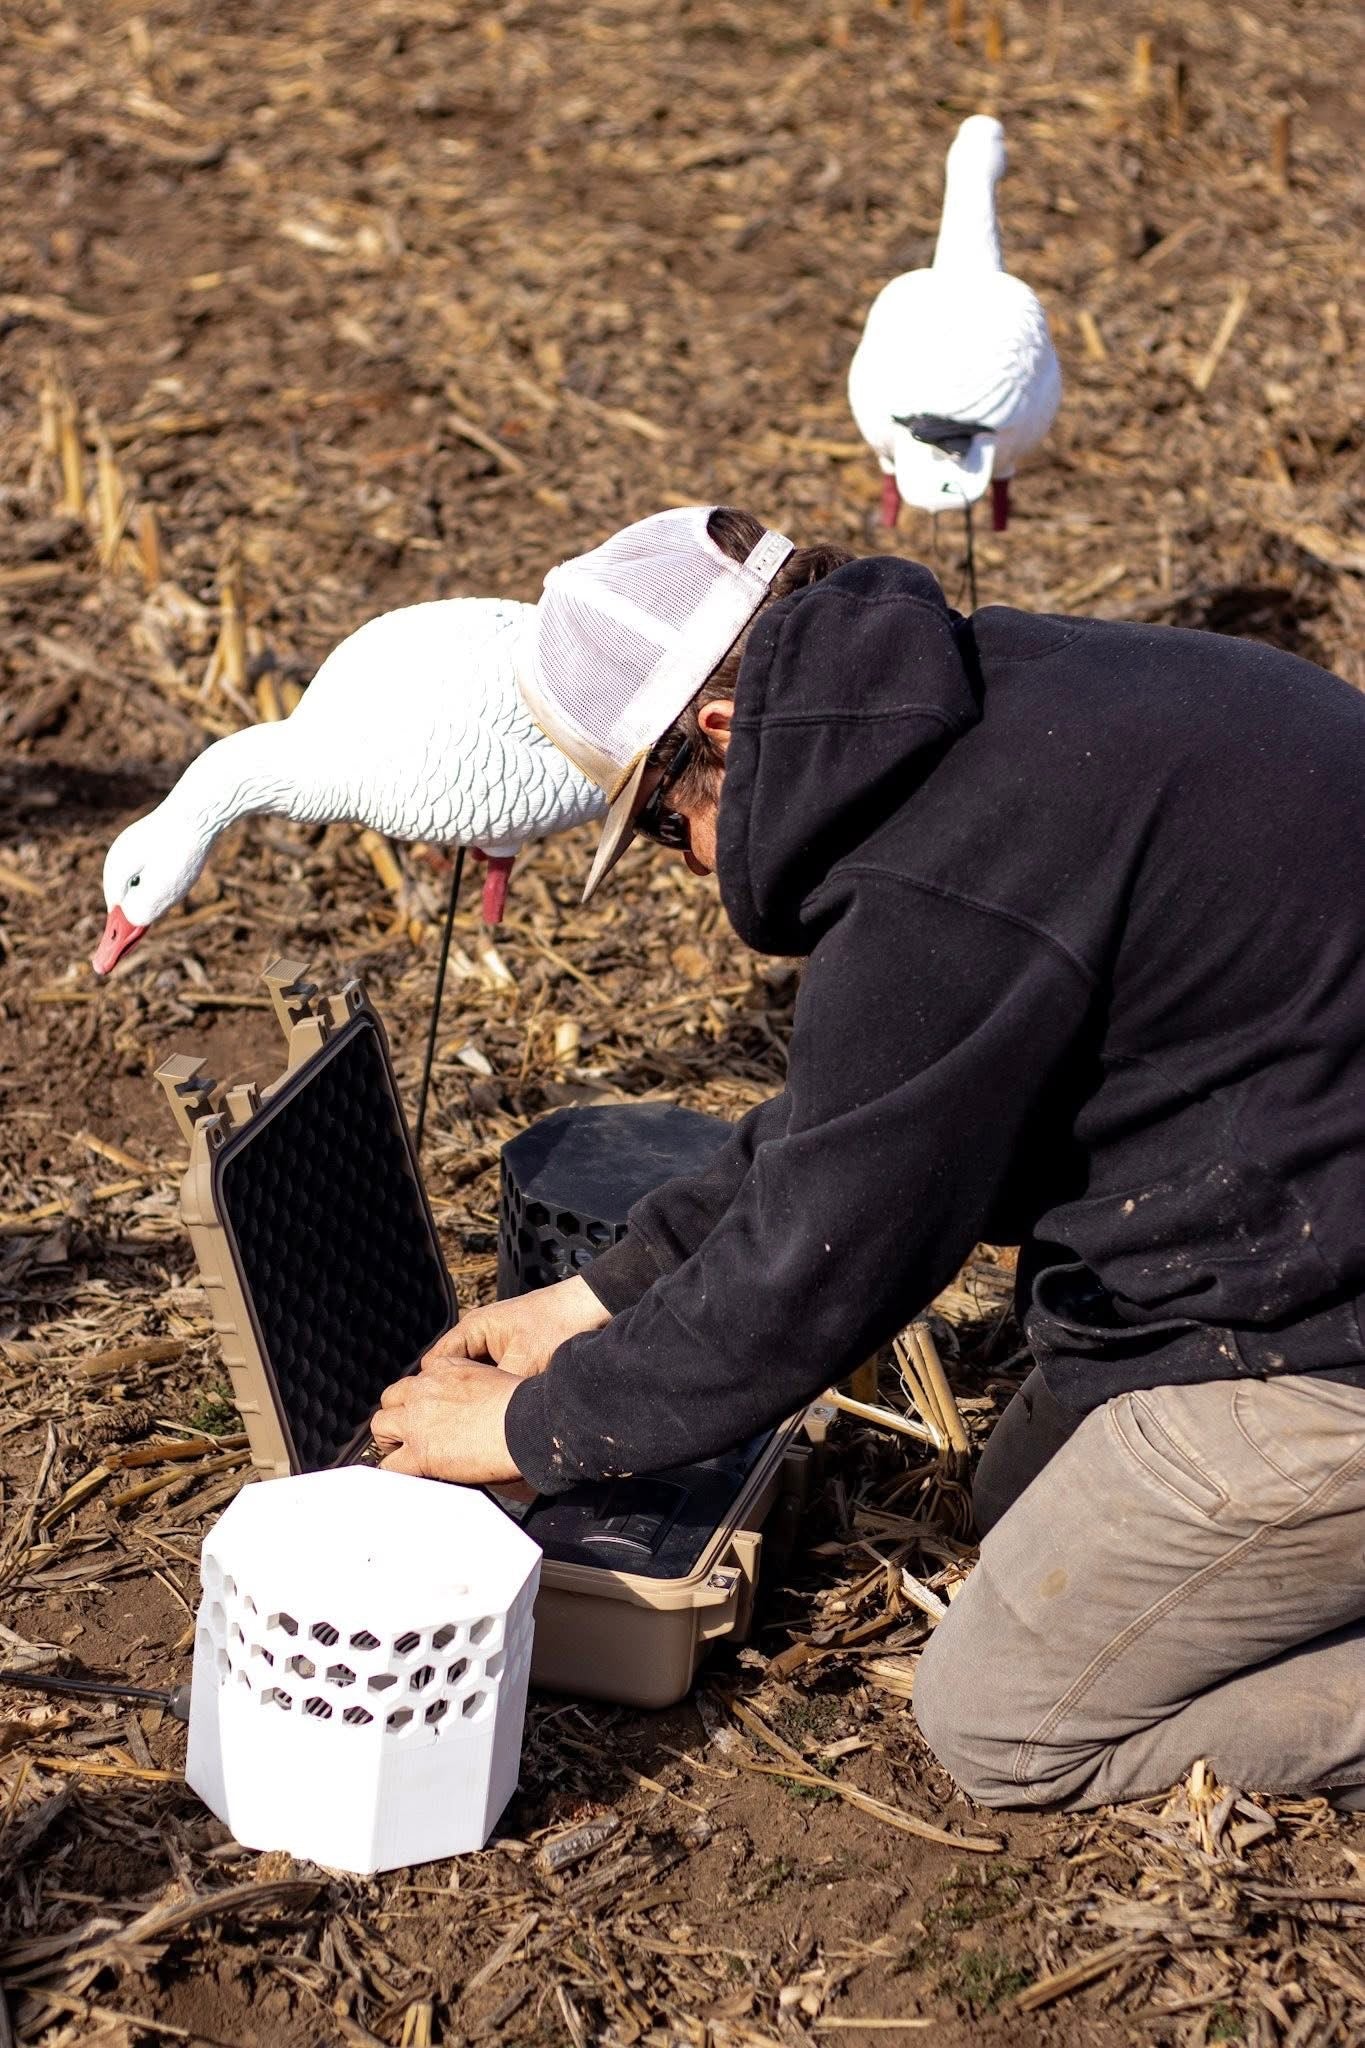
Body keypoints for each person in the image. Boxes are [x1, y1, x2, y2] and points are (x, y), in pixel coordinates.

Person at [372, 504, 1365, 1812]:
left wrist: (532, 1429)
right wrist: (590, 1301)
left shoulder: (946, 880)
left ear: (716, 738)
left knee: (1006, 1724)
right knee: (1017, 1510)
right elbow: (860, 1122)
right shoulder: (993, 694)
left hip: (1322, 1323)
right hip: (1293, 1213)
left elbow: (819, 1272)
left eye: (663, 831)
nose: (686, 871)